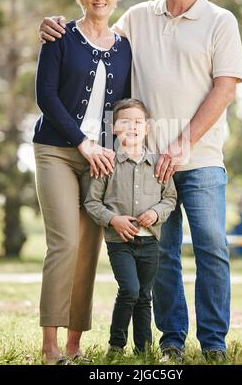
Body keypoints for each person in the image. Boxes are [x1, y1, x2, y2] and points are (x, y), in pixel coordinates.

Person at [39, 0, 242, 362]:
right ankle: (171, 340)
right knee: (161, 251)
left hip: (200, 157)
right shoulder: (137, 18)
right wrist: (53, 26)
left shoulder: (221, 20)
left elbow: (225, 87)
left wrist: (183, 143)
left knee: (210, 247)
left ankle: (213, 343)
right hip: (146, 163)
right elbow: (92, 32)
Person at [33, 0, 132, 364]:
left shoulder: (125, 45)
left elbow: (123, 103)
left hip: (101, 159)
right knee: (65, 244)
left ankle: (74, 347)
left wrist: (114, 148)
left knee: (89, 249)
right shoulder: (59, 37)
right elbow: (47, 97)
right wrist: (83, 143)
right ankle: (49, 346)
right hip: (57, 150)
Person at [84, 99, 177, 354]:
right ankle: (116, 345)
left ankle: (144, 349)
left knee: (144, 296)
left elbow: (169, 198)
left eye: (138, 122)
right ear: (114, 128)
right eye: (125, 122)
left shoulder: (159, 164)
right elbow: (91, 202)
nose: (132, 127)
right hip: (119, 242)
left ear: (147, 128)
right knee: (129, 290)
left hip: (149, 242)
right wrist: (113, 219)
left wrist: (155, 213)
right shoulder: (107, 163)